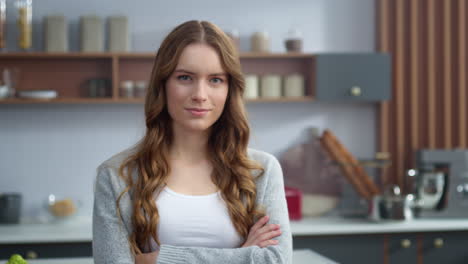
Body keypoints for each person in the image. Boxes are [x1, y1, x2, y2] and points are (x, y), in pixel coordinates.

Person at [92, 20, 292, 264]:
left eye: (215, 80)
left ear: (230, 89)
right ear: (162, 84)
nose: (200, 94)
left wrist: (157, 260)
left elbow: (275, 261)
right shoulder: (116, 175)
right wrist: (243, 256)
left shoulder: (262, 171)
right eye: (185, 77)